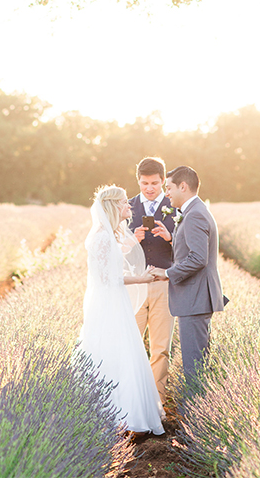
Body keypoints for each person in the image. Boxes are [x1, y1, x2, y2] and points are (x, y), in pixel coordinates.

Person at [77, 184, 165, 434]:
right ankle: (117, 415)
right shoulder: (103, 237)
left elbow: (114, 269)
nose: (129, 206)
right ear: (114, 206)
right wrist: (142, 279)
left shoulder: (109, 235)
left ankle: (124, 413)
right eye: (125, 202)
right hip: (109, 304)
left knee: (124, 352)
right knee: (115, 353)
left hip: (116, 302)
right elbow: (108, 278)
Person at [150, 166, 225, 383]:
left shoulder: (195, 215)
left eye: (169, 187)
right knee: (197, 363)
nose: (167, 193)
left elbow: (199, 258)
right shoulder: (194, 212)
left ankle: (192, 411)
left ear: (183, 186)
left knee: (195, 368)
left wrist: (168, 273)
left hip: (195, 299)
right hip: (195, 298)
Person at [128, 156, 175, 402]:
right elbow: (113, 253)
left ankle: (158, 402)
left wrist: (170, 238)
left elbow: (191, 251)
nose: (149, 188)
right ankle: (134, 400)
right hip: (134, 288)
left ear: (163, 181)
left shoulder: (175, 206)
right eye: (144, 183)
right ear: (138, 180)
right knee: (132, 345)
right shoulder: (125, 207)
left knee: (161, 349)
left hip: (163, 286)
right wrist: (130, 241)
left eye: (155, 183)